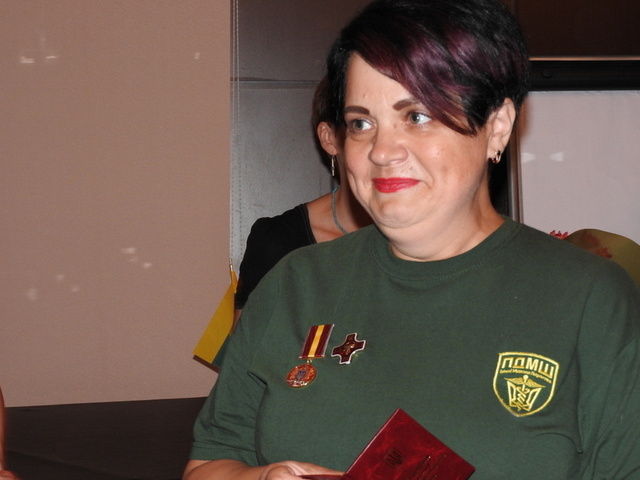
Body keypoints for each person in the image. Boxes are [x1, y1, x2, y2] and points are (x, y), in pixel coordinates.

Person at [184, 0, 640, 479]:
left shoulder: (589, 298)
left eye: (417, 116)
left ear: (497, 127)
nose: (381, 151)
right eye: (361, 123)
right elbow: (209, 461)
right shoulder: (295, 284)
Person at [232, 76, 371, 320]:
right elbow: (250, 342)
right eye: (361, 124)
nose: (383, 146)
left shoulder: (431, 240)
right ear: (329, 138)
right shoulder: (280, 243)